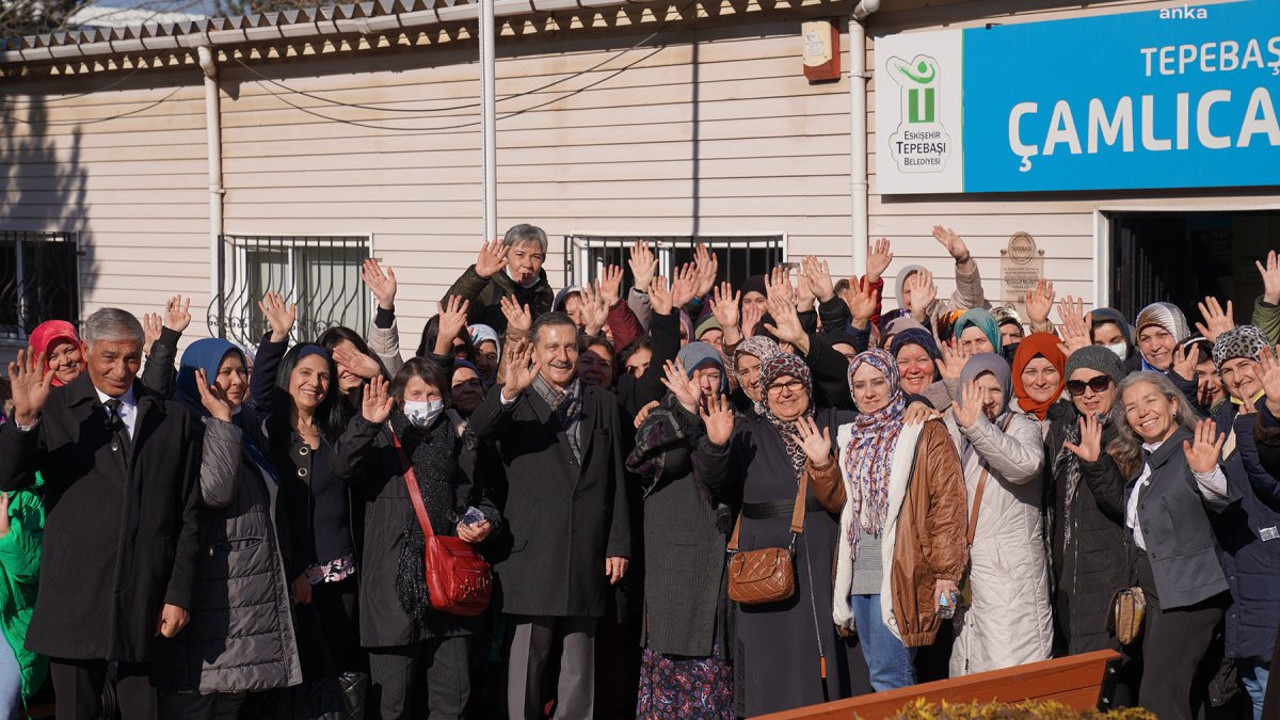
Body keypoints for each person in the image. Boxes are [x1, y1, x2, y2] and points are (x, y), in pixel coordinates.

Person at [0, 308, 200, 720]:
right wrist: (23, 419)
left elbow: (188, 515)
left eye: (132, 358)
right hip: (75, 599)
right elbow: (11, 475)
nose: (121, 369)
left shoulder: (171, 418)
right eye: (109, 357)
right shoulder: (53, 408)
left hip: (144, 597)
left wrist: (178, 593)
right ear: (86, 350)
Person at [468, 312, 630, 720]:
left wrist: (618, 543)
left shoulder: (603, 402)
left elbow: (615, 480)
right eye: (553, 347)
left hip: (588, 551)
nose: (563, 356)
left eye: (571, 347)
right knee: (527, 664)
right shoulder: (516, 398)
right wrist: (507, 391)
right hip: (532, 553)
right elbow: (479, 430)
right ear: (535, 351)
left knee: (580, 667)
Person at [693, 353, 870, 715]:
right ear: (763, 393)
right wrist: (716, 445)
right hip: (765, 557)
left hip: (825, 553)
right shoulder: (745, 432)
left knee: (833, 650)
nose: (785, 393)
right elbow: (714, 481)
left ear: (808, 386)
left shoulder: (835, 424)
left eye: (794, 383)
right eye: (775, 386)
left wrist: (922, 409)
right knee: (772, 656)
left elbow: (883, 416)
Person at [338, 360, 499, 720]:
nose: (425, 401)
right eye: (416, 393)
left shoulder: (461, 440)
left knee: (452, 700)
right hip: (392, 595)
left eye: (432, 393)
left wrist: (482, 521)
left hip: (451, 594)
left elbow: (482, 500)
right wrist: (366, 424)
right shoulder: (377, 436)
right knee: (390, 706)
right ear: (398, 398)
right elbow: (344, 468)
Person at [1073, 372, 1235, 720]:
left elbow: (1220, 500)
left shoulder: (1191, 450)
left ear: (1173, 404)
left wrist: (1208, 474)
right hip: (1158, 594)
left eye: (1150, 401)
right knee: (1182, 696)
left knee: (1159, 698)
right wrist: (1095, 463)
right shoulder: (1149, 460)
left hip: (1189, 597)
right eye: (1131, 407)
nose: (1142, 412)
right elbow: (1129, 512)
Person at [810, 349, 967, 691]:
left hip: (905, 569)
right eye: (860, 384)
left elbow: (947, 506)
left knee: (890, 678)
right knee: (881, 675)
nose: (869, 393)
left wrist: (945, 573)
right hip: (862, 571)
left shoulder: (923, 429)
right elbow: (844, 504)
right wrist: (823, 466)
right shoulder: (851, 438)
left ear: (893, 381)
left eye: (878, 382)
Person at [160, 339, 301, 719]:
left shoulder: (243, 425)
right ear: (200, 377)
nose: (238, 380)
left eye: (242, 371)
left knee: (228, 705)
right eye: (226, 372)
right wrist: (220, 420)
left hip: (242, 600)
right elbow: (215, 491)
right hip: (211, 596)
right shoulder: (184, 423)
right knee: (196, 703)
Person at [251, 294, 367, 711]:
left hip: (343, 578)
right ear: (289, 375)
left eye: (323, 377)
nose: (314, 383)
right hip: (292, 580)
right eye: (305, 372)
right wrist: (278, 337)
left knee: (343, 681)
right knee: (298, 689)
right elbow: (260, 390)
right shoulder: (268, 430)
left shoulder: (338, 429)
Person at [626, 345, 735, 720]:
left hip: (718, 564)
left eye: (714, 374)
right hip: (675, 568)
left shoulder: (732, 417)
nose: (706, 383)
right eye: (698, 374)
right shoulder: (660, 415)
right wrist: (687, 411)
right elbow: (665, 463)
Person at [945, 354, 1052, 676]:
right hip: (966, 574)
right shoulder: (952, 426)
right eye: (977, 389)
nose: (986, 399)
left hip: (1012, 577)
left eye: (994, 390)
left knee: (1011, 674)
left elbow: (1025, 466)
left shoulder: (1021, 426)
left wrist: (976, 426)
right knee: (967, 670)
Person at [1207, 326, 1280, 719]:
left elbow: (1273, 487)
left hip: (1270, 565)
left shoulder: (1274, 413)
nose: (1237, 376)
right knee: (1255, 688)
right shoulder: (1223, 416)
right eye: (1228, 369)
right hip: (1238, 566)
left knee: (1270, 690)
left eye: (1245, 364)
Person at [1043, 347, 1129, 658]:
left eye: (1098, 383)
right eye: (1077, 386)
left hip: (1109, 577)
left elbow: (1124, 505)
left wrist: (1096, 464)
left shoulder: (1129, 432)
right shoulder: (1061, 433)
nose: (1088, 393)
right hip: (1067, 572)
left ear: (1115, 383)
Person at [446, 226, 555, 334]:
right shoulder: (488, 283)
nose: (527, 264)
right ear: (506, 254)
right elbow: (448, 313)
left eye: (535, 256)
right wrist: (477, 276)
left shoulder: (544, 293)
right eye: (520, 255)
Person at [1010, 334, 1067, 434]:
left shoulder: (1078, 414)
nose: (1040, 382)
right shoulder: (1006, 418)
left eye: (1049, 371)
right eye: (1031, 372)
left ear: (1062, 372)